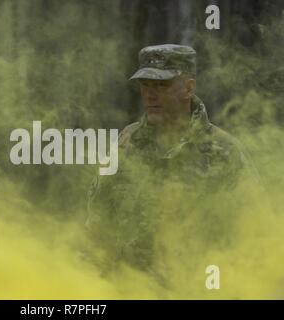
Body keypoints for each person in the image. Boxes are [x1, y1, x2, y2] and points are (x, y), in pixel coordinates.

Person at [84, 44, 260, 276]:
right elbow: (97, 222)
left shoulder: (223, 151)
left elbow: (254, 232)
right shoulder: (124, 144)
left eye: (161, 85)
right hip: (127, 287)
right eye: (145, 85)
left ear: (188, 88)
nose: (150, 94)